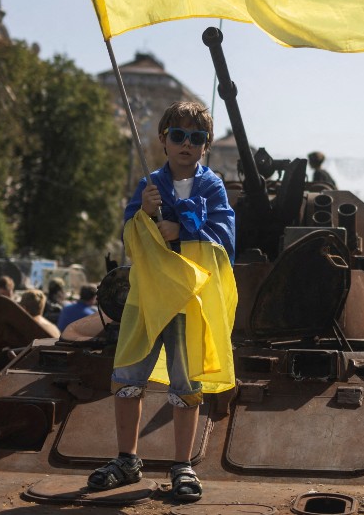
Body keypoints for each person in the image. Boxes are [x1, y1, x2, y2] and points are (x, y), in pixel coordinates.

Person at [88, 101, 236, 503]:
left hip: (190, 302)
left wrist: (183, 231)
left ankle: (182, 464)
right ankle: (126, 459)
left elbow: (223, 236)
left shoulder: (212, 185)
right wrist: (146, 215)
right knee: (127, 374)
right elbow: (131, 235)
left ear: (205, 145)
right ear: (163, 140)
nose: (186, 144)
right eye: (178, 136)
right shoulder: (149, 184)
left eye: (196, 138)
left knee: (186, 383)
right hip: (149, 296)